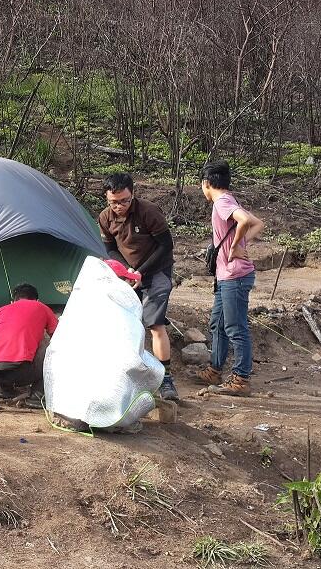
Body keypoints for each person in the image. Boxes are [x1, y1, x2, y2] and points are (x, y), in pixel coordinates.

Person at [97, 173, 178, 400]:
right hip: (128, 274)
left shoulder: (148, 211)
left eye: (124, 201)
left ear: (132, 195)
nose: (119, 206)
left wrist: (140, 271)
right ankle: (128, 378)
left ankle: (166, 380)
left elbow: (165, 245)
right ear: (107, 198)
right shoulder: (105, 218)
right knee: (126, 325)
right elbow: (110, 249)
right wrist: (126, 271)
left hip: (156, 271)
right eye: (114, 202)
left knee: (155, 324)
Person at [197, 160, 265, 396]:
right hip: (227, 276)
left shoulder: (222, 202)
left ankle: (241, 380)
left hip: (235, 276)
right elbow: (258, 223)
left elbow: (246, 222)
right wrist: (239, 244)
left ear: (206, 183)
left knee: (236, 327)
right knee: (218, 323)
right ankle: (214, 370)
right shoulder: (229, 199)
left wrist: (236, 246)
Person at [0, 283, 58, 409]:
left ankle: (3, 389)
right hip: (20, 370)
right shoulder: (41, 307)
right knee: (50, 348)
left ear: (13, 301)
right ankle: (37, 396)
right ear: (37, 300)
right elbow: (59, 337)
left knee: (1, 347)